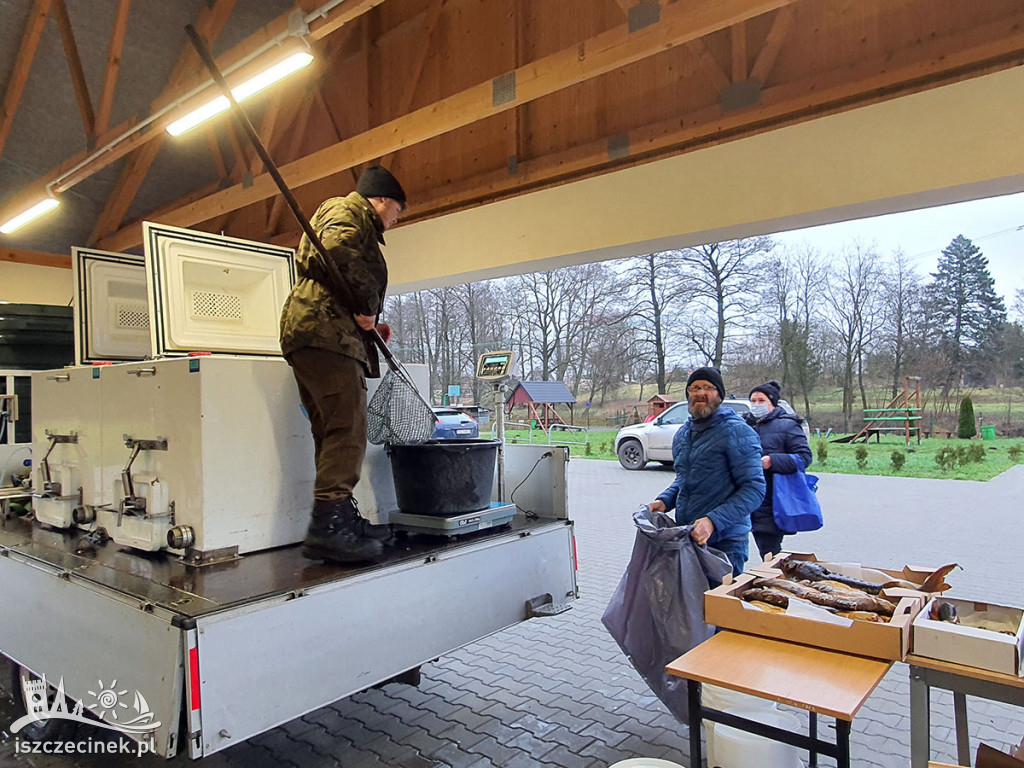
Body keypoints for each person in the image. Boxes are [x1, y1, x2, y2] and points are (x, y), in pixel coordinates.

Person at [280, 165, 406, 564]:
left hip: (319, 331)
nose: (397, 220)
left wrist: (369, 323)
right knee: (347, 426)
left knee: (332, 429)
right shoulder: (347, 212)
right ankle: (329, 527)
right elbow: (333, 248)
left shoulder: (348, 216)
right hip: (324, 333)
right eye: (398, 211)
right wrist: (366, 305)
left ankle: (339, 518)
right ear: (383, 199)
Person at [647, 367, 765, 576]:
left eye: (708, 387)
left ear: (719, 395)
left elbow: (754, 489)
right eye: (694, 388)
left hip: (725, 543)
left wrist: (713, 521)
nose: (700, 393)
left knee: (717, 607)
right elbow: (685, 479)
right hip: (688, 537)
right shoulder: (684, 434)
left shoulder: (737, 431)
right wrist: (665, 500)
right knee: (689, 606)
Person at [744, 380, 813, 561]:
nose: (756, 405)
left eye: (761, 400)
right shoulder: (744, 425)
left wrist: (772, 461)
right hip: (744, 496)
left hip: (772, 499)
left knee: (769, 551)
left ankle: (775, 581)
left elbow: (804, 457)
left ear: (772, 402)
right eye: (753, 401)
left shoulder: (787, 425)